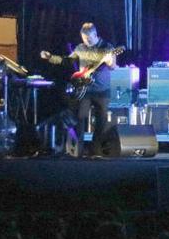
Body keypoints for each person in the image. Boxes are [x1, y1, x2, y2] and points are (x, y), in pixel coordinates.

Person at [40, 22, 117, 157]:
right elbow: (67, 61)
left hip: (102, 90)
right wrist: (50, 57)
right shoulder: (80, 48)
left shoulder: (107, 47)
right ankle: (78, 152)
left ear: (95, 34)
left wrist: (110, 62)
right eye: (84, 39)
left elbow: (113, 67)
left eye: (89, 39)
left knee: (101, 120)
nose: (86, 42)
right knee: (79, 119)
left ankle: (95, 151)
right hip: (84, 90)